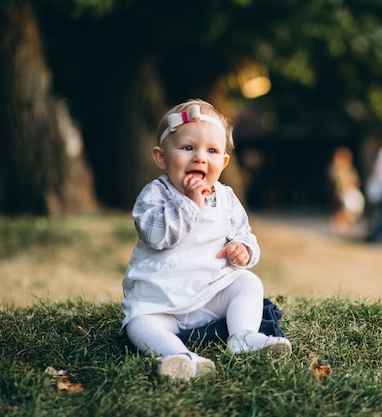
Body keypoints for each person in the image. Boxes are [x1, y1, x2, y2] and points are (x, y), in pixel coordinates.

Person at [120, 99, 291, 380]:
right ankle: (177, 355)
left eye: (211, 151)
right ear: (161, 157)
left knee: (248, 282)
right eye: (188, 148)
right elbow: (155, 236)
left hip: (210, 296)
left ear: (223, 162)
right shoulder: (155, 195)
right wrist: (190, 203)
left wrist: (244, 249)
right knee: (138, 324)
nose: (200, 157)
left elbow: (245, 234)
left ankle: (243, 336)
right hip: (161, 303)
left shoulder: (225, 198)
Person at [328, 147, 365, 236]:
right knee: (343, 210)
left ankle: (344, 226)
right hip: (343, 193)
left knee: (350, 211)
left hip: (351, 192)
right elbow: (338, 182)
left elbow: (356, 180)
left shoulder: (350, 169)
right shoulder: (335, 169)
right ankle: (341, 227)